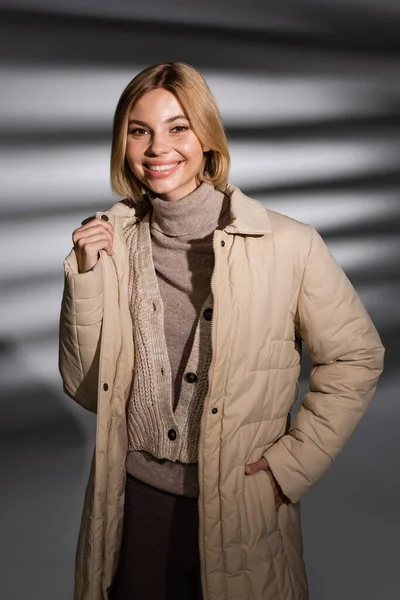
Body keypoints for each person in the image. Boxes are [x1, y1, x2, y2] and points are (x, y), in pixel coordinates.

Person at [58, 62, 385, 600]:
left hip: (241, 508)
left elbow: (355, 355)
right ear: (123, 143)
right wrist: (86, 279)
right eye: (139, 131)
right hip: (130, 507)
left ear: (207, 137)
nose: (157, 147)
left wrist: (289, 467)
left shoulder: (287, 244)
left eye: (178, 126)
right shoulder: (107, 244)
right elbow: (89, 391)